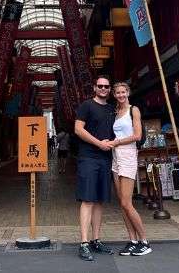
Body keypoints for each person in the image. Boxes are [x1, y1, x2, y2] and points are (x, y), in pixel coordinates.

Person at [73, 75, 116, 261]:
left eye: (107, 86)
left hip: (106, 159)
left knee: (99, 200)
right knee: (87, 200)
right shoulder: (86, 106)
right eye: (100, 86)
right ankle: (83, 242)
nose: (104, 89)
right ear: (94, 88)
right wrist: (99, 143)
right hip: (88, 158)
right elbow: (78, 129)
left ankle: (96, 240)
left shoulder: (113, 109)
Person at [110, 82, 151, 256]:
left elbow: (137, 135)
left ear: (128, 92)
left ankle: (144, 241)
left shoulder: (133, 109)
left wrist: (118, 142)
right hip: (115, 157)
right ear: (114, 95)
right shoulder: (115, 112)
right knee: (122, 204)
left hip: (127, 155)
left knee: (127, 202)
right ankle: (132, 240)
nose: (121, 95)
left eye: (123, 92)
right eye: (117, 92)